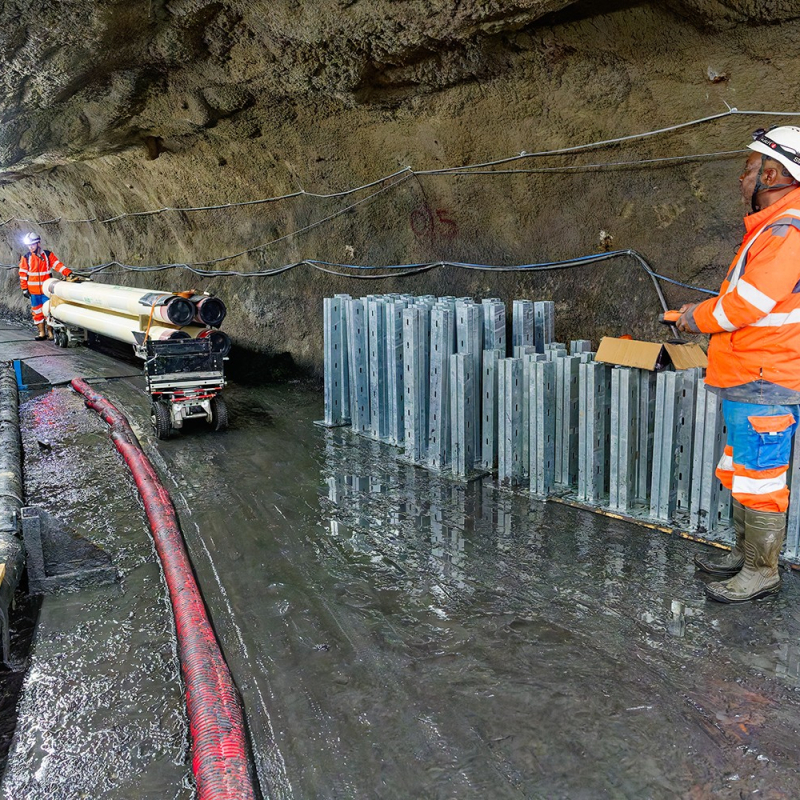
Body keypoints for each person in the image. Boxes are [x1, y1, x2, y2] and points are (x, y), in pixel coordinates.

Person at [677, 125, 800, 603]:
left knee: (760, 477)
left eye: (748, 169)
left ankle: (760, 570)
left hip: (766, 376)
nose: (742, 179)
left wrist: (695, 318)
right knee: (744, 468)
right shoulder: (774, 229)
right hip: (753, 373)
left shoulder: (787, 231)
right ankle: (743, 552)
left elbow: (745, 305)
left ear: (772, 174)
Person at [18, 233, 78, 340]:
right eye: (29, 246)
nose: (30, 247)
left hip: (46, 290)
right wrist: (24, 289)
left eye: (32, 245)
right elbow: (22, 274)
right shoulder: (26, 257)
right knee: (37, 312)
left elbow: (57, 265)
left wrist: (68, 273)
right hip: (34, 292)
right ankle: (42, 333)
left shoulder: (47, 255)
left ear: (38, 243)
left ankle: (50, 333)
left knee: (48, 311)